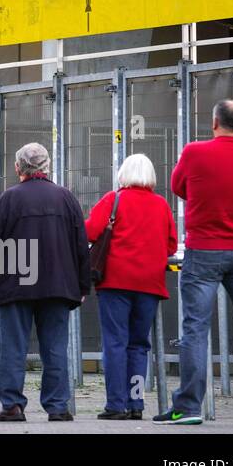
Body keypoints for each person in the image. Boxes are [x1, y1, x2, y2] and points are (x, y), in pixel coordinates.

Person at [155, 98, 233, 426]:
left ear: (214, 123)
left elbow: (177, 187)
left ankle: (189, 407)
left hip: (203, 250)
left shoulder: (195, 152)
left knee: (196, 329)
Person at [0, 142, 90, 423]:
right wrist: (82, 285)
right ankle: (58, 406)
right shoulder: (66, 198)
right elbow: (80, 245)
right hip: (58, 285)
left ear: (18, 168)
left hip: (14, 285)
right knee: (54, 347)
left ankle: (13, 405)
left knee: (13, 347)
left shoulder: (8, 199)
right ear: (47, 166)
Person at [85, 153, 177, 419]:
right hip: (149, 284)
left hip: (115, 282)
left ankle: (116, 404)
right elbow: (170, 245)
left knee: (115, 342)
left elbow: (90, 232)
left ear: (123, 174)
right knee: (139, 344)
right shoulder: (161, 205)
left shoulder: (113, 200)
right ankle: (136, 404)